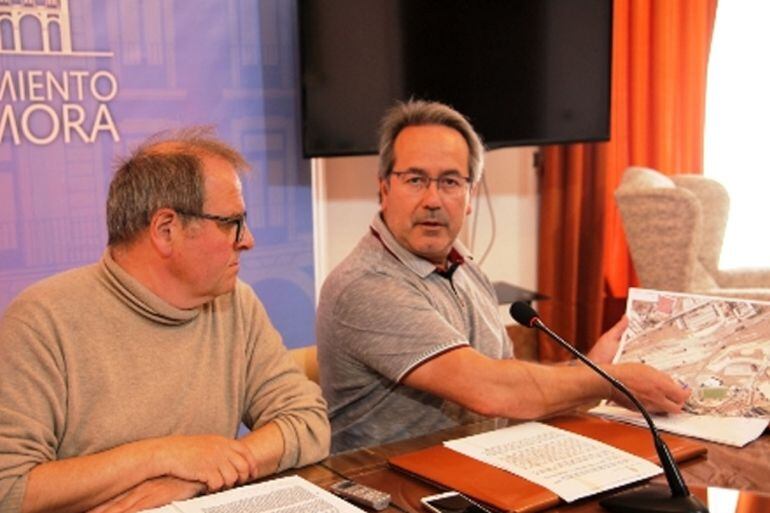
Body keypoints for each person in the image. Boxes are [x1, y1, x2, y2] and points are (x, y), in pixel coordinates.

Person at [316, 100, 690, 453]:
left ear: (469, 195)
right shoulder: (366, 285)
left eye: (450, 182)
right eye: (415, 180)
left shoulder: (463, 266)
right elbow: (490, 390)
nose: (432, 199)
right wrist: (610, 379)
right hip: (387, 490)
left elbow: (509, 380)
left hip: (476, 470)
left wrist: (591, 365)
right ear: (383, 188)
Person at [0, 128, 330, 513]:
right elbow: (9, 487)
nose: (248, 240)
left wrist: (196, 475)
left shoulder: (235, 303)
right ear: (166, 230)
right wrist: (163, 456)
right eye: (231, 222)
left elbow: (307, 421)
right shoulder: (43, 319)